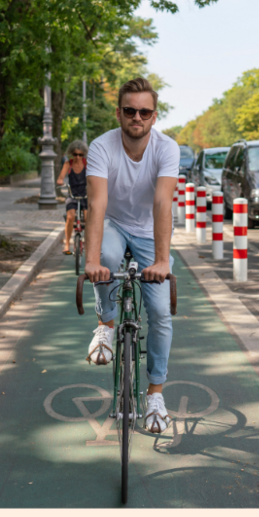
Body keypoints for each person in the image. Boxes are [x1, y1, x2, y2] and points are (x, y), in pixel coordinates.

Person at [83, 77, 180, 434]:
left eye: (144, 111)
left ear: (154, 116)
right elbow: (97, 203)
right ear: (119, 112)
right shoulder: (101, 146)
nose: (136, 117)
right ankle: (105, 324)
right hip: (115, 222)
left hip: (148, 230)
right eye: (129, 110)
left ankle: (155, 394)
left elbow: (161, 202)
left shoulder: (167, 148)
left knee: (159, 312)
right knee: (105, 256)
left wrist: (162, 261)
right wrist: (92, 261)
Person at [57, 140, 88, 255]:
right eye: (75, 154)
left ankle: (88, 242)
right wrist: (60, 180)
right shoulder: (68, 164)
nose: (78, 157)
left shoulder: (87, 163)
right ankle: (67, 244)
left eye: (80, 155)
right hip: (72, 194)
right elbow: (60, 177)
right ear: (72, 153)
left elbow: (94, 176)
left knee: (88, 219)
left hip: (85, 194)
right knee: (70, 218)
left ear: (83, 154)